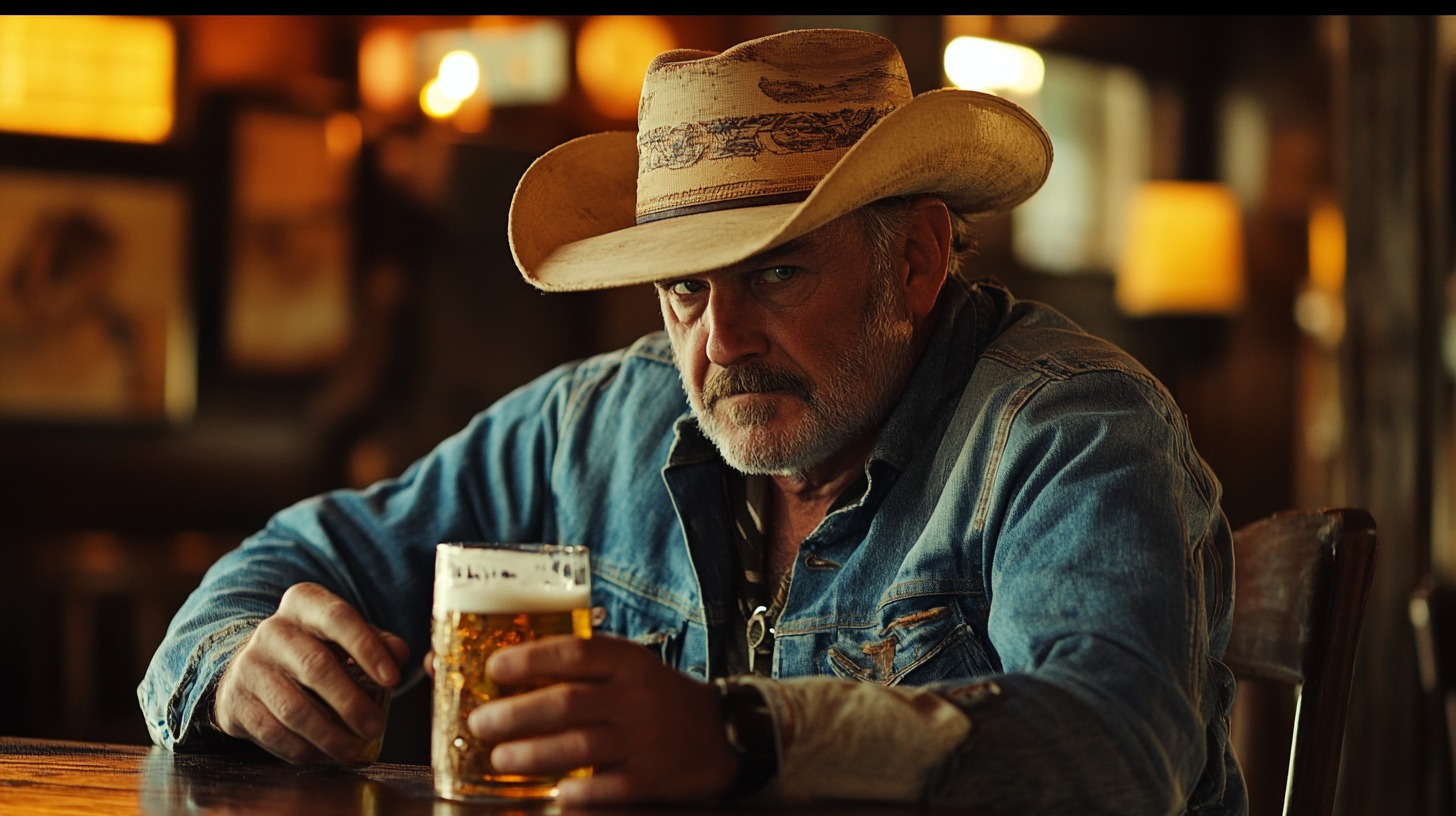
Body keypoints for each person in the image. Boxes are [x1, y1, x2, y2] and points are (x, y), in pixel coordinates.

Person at [140, 28, 1245, 814]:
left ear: (912, 260)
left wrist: (738, 735)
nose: (717, 345)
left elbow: (1115, 752)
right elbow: (289, 559)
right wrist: (237, 668)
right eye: (683, 289)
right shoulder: (598, 424)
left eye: (772, 275)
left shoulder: (1074, 431)